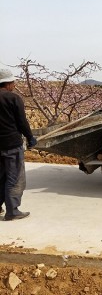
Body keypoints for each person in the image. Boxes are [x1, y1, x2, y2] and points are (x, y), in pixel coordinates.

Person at [0, 69, 36, 221]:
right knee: (14, 179)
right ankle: (12, 211)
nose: (14, 85)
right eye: (13, 82)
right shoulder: (13, 98)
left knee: (0, 177)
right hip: (11, 145)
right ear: (7, 83)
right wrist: (30, 137)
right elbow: (22, 122)